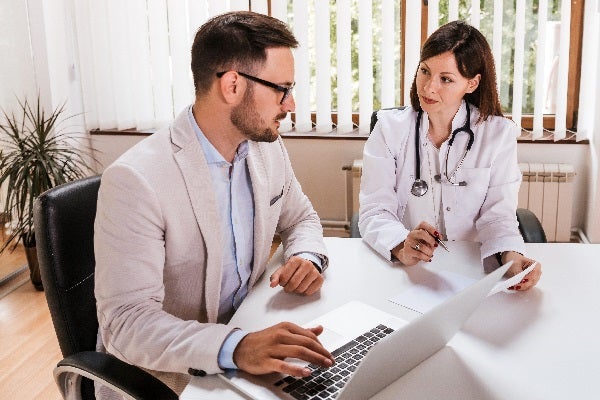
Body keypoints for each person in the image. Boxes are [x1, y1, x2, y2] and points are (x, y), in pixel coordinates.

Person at [94, 11, 334, 398]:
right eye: (282, 89)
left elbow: (301, 216)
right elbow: (126, 324)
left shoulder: (266, 150)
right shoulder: (136, 181)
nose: (290, 104)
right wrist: (236, 346)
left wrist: (307, 256)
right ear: (233, 85)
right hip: (170, 372)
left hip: (252, 334)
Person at [358, 20, 542, 290]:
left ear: (472, 83)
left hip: (473, 273)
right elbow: (375, 210)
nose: (428, 87)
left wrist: (510, 257)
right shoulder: (390, 129)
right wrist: (400, 243)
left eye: (445, 79)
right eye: (424, 71)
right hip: (407, 273)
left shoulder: (498, 135)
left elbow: (498, 216)